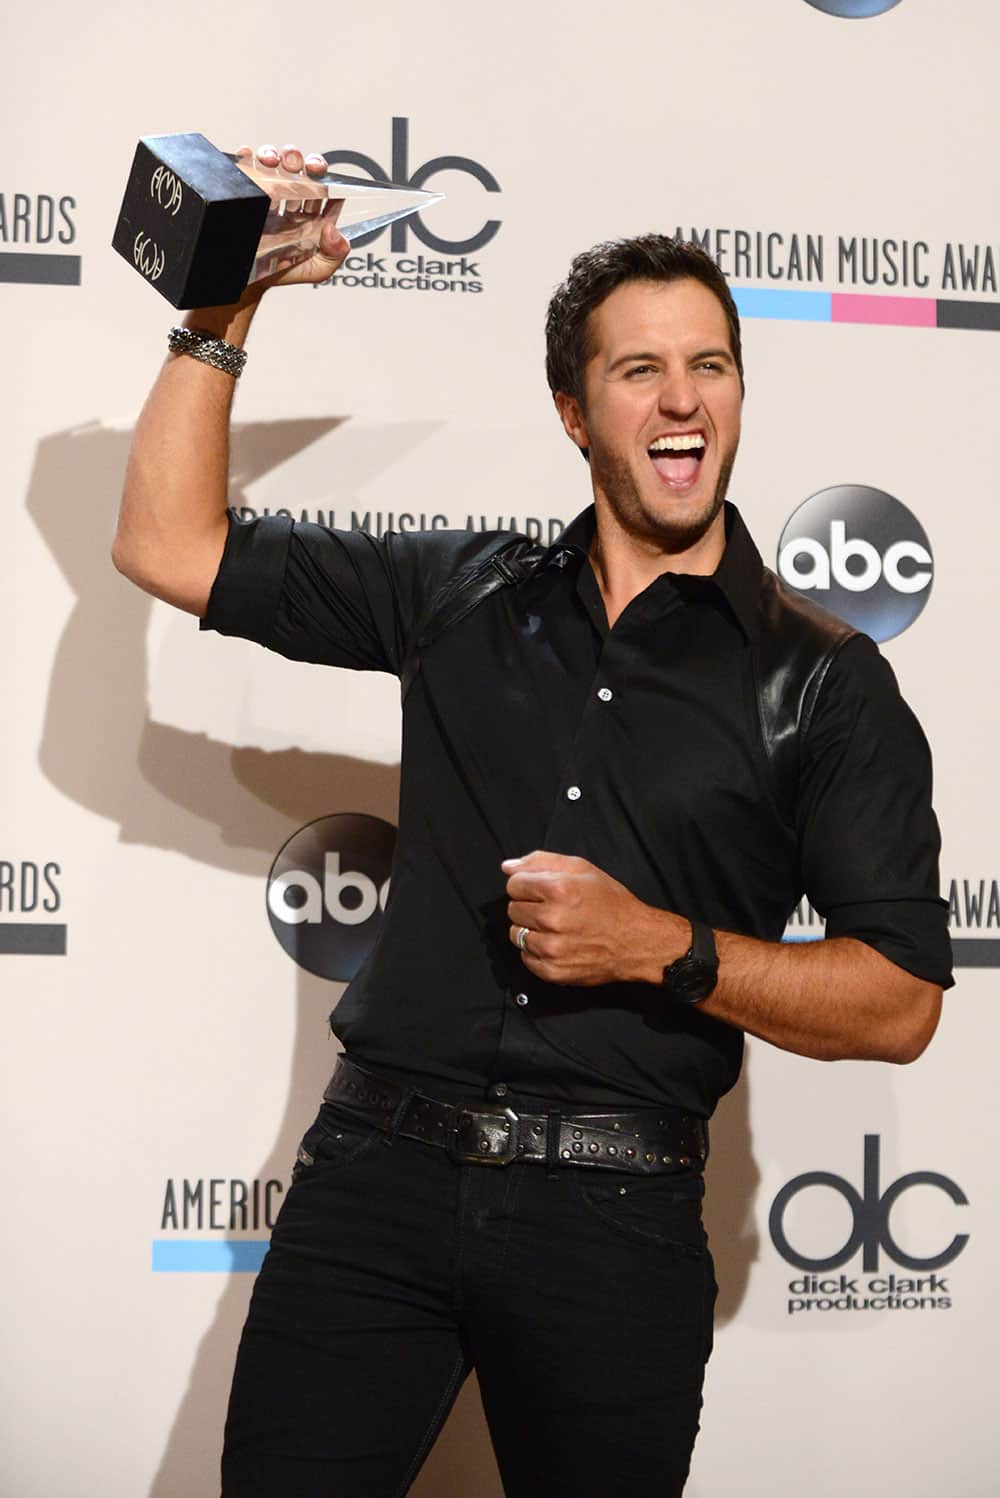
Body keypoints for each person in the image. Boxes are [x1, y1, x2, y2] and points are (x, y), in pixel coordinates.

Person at [113, 143, 952, 1498]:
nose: (682, 401)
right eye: (640, 371)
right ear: (574, 409)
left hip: (612, 1224)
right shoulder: (463, 591)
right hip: (373, 1184)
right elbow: (168, 542)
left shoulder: (823, 682)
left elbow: (902, 998)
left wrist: (662, 948)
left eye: (711, 367)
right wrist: (221, 318)